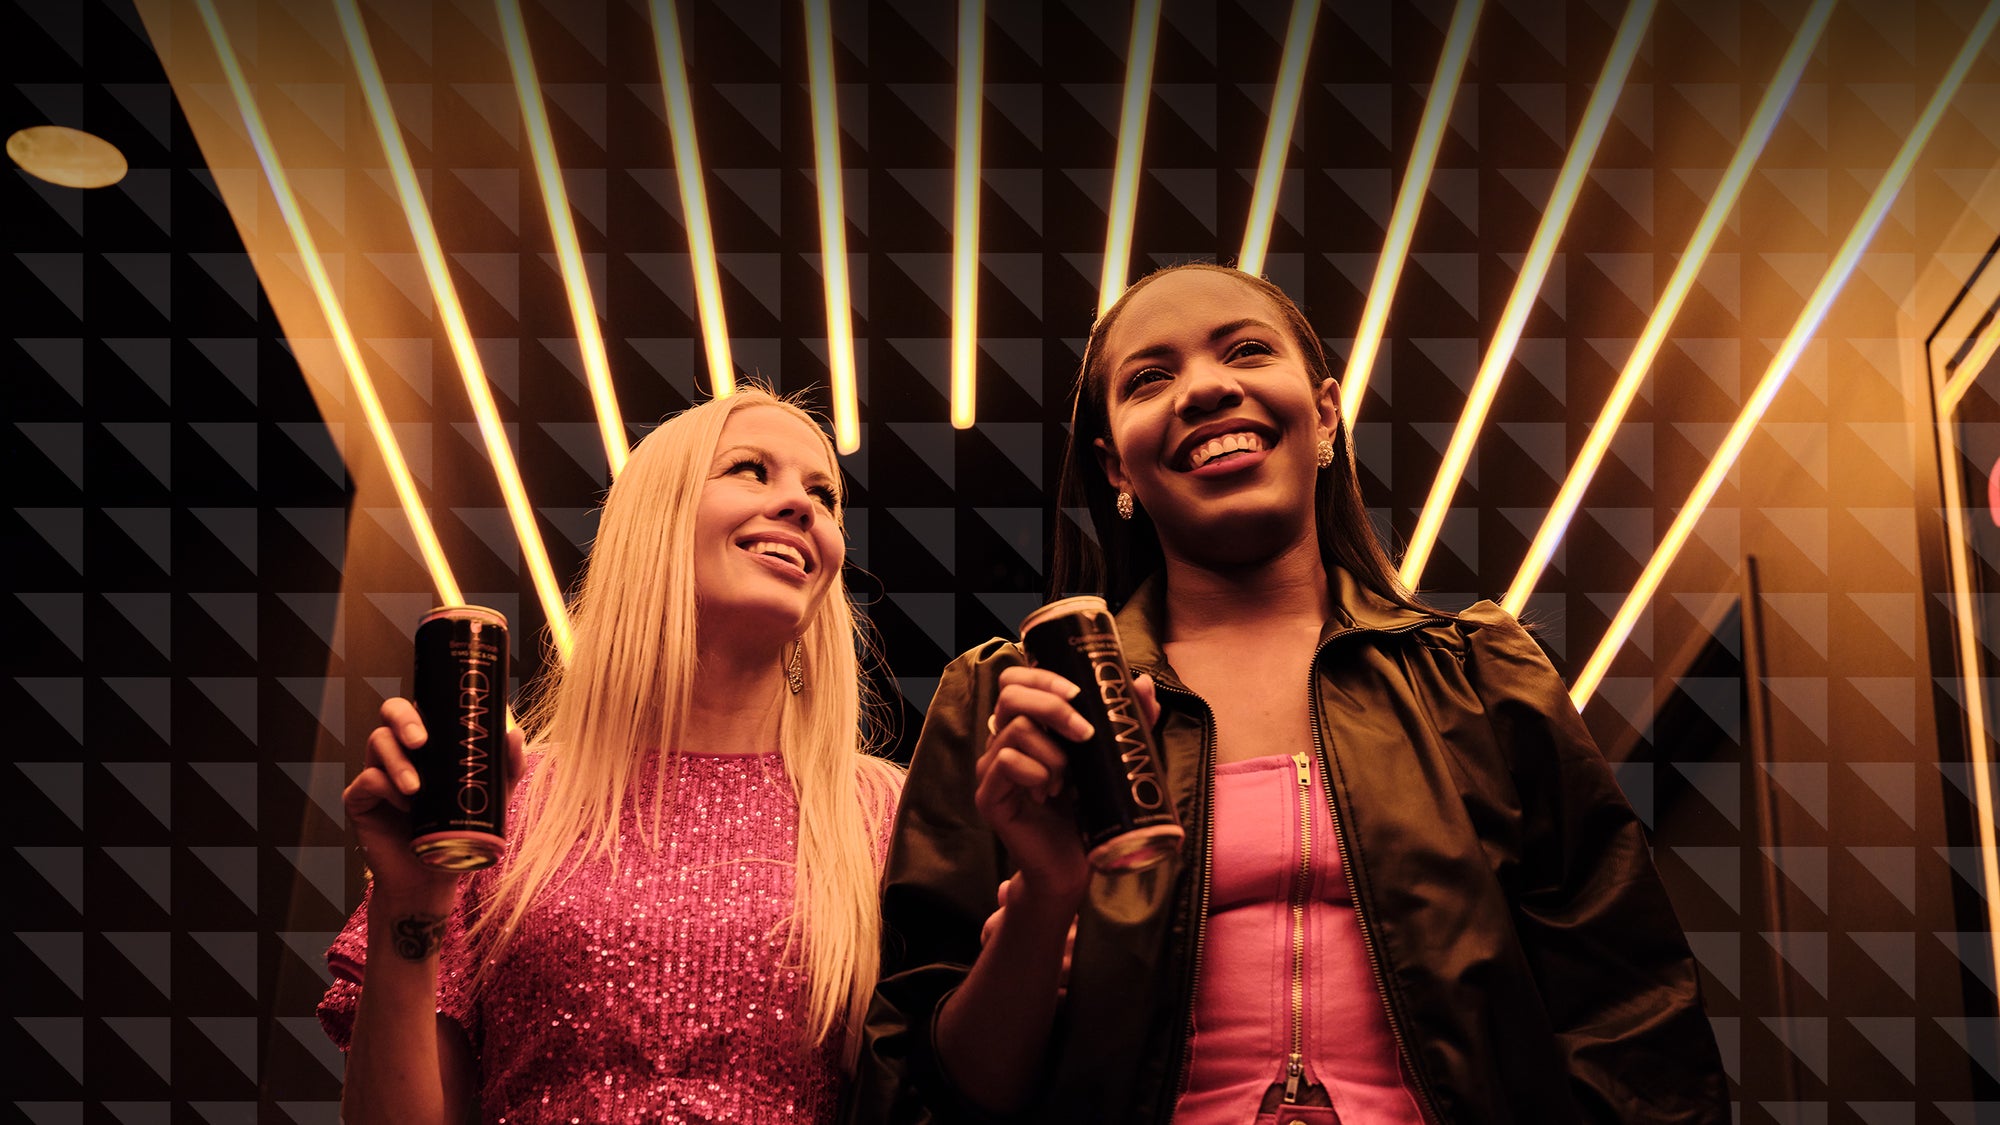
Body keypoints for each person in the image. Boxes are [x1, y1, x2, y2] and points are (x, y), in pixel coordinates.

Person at [853, 263, 1729, 1123]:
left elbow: (1635, 1037)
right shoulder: (1011, 703)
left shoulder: (1485, 678)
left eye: (1245, 351)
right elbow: (928, 1089)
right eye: (1150, 377)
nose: (1204, 388)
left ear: (1324, 415)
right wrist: (1046, 894)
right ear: (1115, 465)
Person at [319, 388, 905, 1123]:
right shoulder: (507, 801)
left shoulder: (889, 818)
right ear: (652, 524)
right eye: (751, 470)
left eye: (824, 493)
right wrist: (412, 899)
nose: (801, 505)